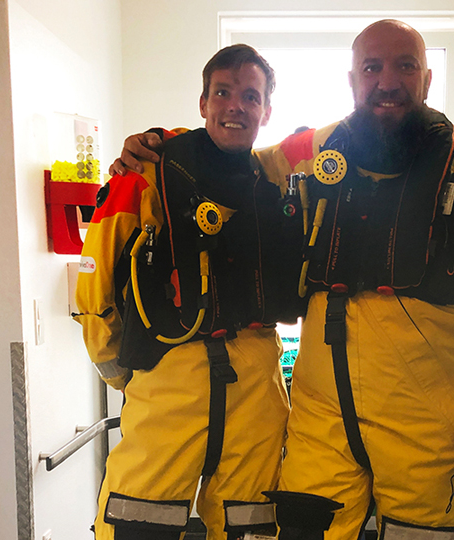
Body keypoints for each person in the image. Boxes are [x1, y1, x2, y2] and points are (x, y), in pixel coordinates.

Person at [113, 20, 454, 539]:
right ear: (352, 79)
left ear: (428, 79)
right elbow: (230, 158)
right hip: (320, 427)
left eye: (405, 66)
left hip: (426, 430)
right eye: (372, 67)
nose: (387, 81)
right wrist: (159, 148)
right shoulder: (313, 153)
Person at [73, 44, 303, 540]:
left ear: (267, 110)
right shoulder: (145, 173)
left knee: (252, 527)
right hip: (166, 386)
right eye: (222, 92)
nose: (235, 106)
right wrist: (125, 374)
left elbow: (346, 137)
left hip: (256, 392)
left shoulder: (275, 177)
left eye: (250, 96)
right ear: (203, 103)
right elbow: (95, 291)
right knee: (137, 523)